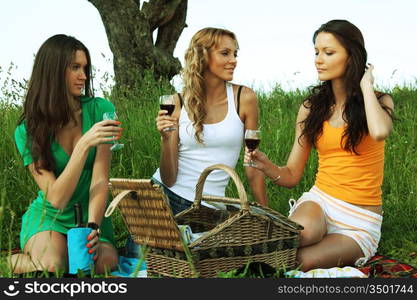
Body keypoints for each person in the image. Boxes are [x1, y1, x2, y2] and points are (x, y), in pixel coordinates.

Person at [245, 20, 394, 271]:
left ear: (352, 57)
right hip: (321, 201)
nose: (318, 59)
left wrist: (366, 85)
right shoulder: (311, 108)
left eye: (329, 52)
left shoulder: (379, 101)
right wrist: (267, 166)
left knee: (298, 262)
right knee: (297, 237)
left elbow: (380, 132)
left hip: (359, 219)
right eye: (316, 52)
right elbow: (291, 175)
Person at [10, 34, 121, 274]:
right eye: (75, 68)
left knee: (101, 264)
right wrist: (82, 147)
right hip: (51, 217)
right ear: (53, 71)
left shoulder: (101, 109)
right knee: (54, 265)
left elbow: (100, 179)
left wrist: (93, 227)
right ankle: (10, 261)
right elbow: (56, 199)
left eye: (85, 68)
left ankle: (82, 243)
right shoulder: (27, 131)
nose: (83, 76)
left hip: (91, 216)